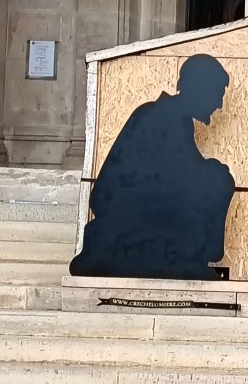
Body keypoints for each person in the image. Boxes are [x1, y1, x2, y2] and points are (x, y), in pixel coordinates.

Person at [70, 55, 235, 280]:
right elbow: (176, 180)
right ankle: (186, 255)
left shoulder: (174, 119)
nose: (219, 104)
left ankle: (189, 255)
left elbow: (180, 174)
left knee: (215, 176)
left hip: (144, 214)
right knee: (216, 179)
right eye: (218, 95)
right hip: (129, 221)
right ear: (201, 89)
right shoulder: (162, 117)